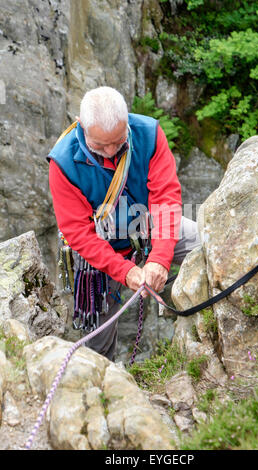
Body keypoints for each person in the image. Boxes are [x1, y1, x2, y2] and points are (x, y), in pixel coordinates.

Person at [48, 86, 200, 361]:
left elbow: (165, 199)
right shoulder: (63, 163)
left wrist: (160, 259)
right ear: (82, 126)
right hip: (101, 255)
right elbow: (79, 234)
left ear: (126, 123)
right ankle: (101, 389)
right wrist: (125, 270)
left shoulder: (149, 134)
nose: (108, 152)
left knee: (205, 244)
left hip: (149, 229)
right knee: (97, 346)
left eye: (117, 142)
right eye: (99, 145)